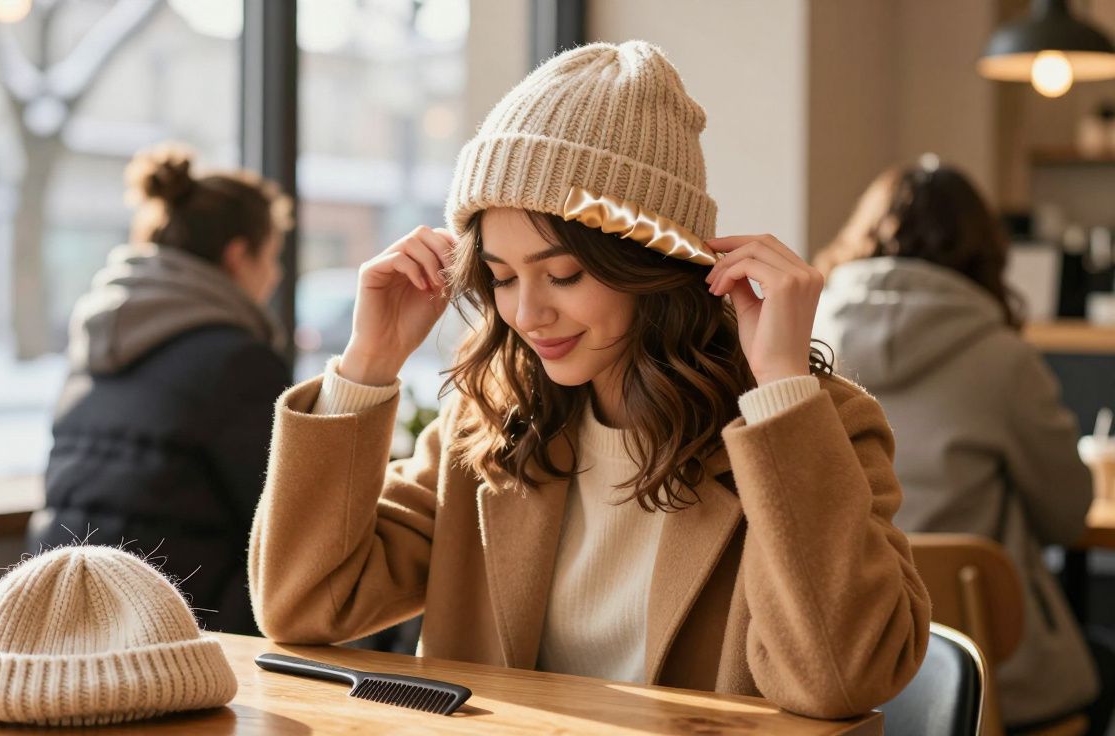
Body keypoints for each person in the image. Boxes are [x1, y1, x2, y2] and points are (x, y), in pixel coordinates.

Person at [248, 41, 930, 718]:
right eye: (504, 277)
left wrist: (780, 388)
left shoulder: (815, 427)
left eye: (564, 274)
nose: (527, 313)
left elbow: (844, 678)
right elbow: (303, 605)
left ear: (652, 263)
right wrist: (368, 364)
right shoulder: (489, 422)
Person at [813, 159, 1110, 734]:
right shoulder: (1002, 358)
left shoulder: (805, 337)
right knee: (1099, 674)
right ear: (984, 252)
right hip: (990, 672)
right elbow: (1067, 516)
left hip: (841, 652)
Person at [28, 143, 292, 636]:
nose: (275, 276)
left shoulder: (97, 341)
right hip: (182, 640)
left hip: (61, 624)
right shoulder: (237, 361)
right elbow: (289, 527)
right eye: (272, 257)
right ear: (238, 257)